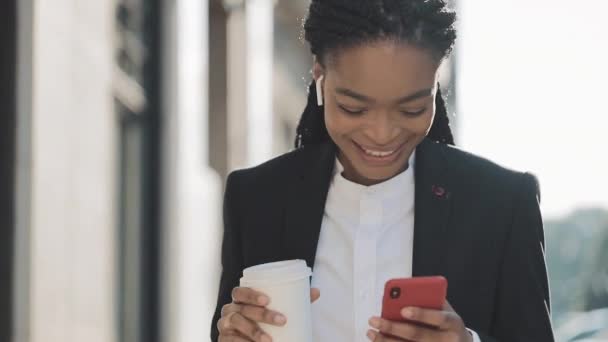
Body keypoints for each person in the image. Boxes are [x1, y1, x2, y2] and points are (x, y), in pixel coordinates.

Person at [211, 0, 554, 341]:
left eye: (411, 109)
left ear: (435, 84)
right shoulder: (256, 200)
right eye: (353, 108)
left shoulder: (502, 204)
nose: (382, 134)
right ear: (319, 74)